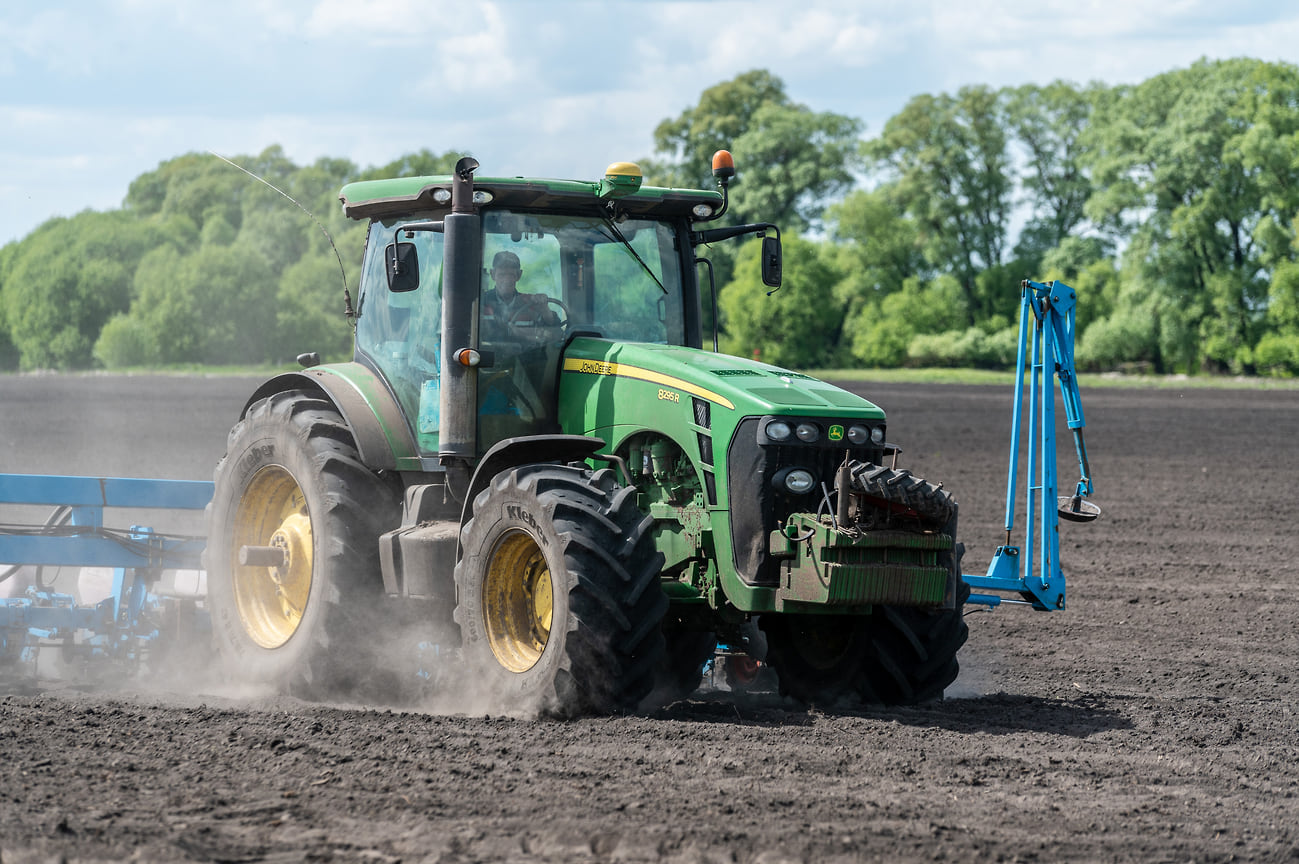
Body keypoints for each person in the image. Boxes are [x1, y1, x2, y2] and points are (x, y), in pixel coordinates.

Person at [481, 251, 558, 337]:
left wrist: (544, 309)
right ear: (492, 274)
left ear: (519, 275)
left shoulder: (530, 303)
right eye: (501, 275)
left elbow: (555, 330)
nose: (507, 280)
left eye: (511, 275)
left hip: (528, 350)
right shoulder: (481, 303)